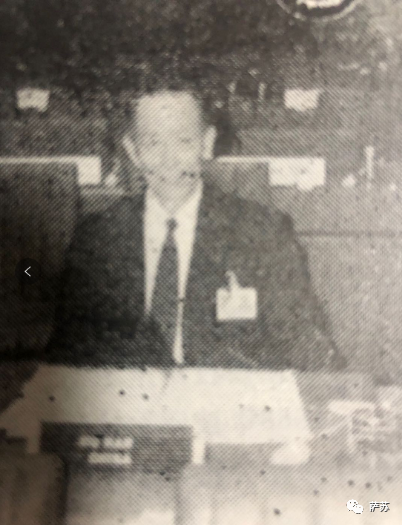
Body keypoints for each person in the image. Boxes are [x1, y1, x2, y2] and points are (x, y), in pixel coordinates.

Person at [46, 75, 344, 371]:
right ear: (132, 151)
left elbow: (306, 344)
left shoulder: (264, 232)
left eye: (184, 141)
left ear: (207, 143)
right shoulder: (97, 237)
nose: (169, 160)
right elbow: (66, 355)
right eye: (152, 142)